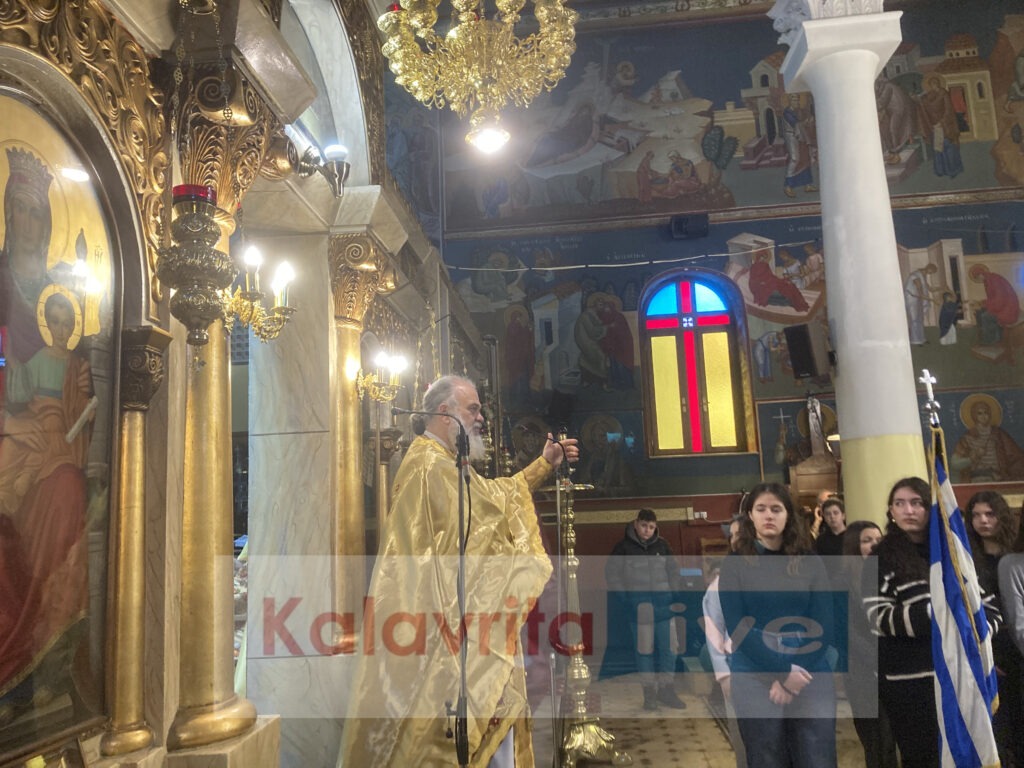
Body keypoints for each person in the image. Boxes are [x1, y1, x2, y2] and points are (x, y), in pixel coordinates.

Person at [337, 375, 579, 767]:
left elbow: (490, 499)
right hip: (444, 635)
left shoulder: (444, 463)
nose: (481, 418)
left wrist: (543, 464)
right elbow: (474, 531)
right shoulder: (429, 466)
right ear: (445, 412)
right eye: (474, 409)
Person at [0, 290, 95, 720]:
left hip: (64, 449)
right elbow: (18, 394)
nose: (59, 327)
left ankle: (49, 655)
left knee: (68, 492)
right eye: (53, 320)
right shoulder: (37, 360)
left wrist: (85, 400)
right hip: (34, 442)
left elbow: (83, 412)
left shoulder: (77, 367)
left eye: (66, 321)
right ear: (45, 323)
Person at [863, 477, 1001, 768]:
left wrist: (976, 633)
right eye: (899, 504)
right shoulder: (880, 557)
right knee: (921, 757)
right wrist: (940, 613)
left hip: (961, 678)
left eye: (917, 503)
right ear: (891, 511)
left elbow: (988, 607)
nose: (908, 510)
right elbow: (879, 617)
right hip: (910, 682)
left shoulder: (955, 554)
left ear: (930, 508)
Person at [720, 482, 837, 768]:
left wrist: (796, 673)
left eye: (776, 509)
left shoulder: (809, 560)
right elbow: (737, 627)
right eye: (761, 509)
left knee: (816, 754)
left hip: (809, 663)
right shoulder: (735, 563)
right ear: (750, 515)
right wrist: (783, 673)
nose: (769, 515)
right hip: (754, 665)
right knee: (766, 755)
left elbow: (825, 622)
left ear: (788, 515)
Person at [605, 508, 686, 710]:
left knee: (670, 649)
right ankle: (649, 694)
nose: (647, 530)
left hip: (664, 607)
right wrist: (626, 599)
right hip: (639, 610)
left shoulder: (663, 545)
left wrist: (673, 593)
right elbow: (612, 574)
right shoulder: (623, 548)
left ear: (655, 527)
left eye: (651, 527)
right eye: (643, 525)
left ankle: (666, 690)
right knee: (644, 652)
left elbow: (674, 570)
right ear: (636, 524)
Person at [965, 491, 1023, 768]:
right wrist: (987, 655)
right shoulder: (968, 559)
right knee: (1000, 725)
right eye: (976, 515)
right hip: (992, 646)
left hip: (1019, 643)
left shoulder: (1015, 554)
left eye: (990, 514)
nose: (983, 521)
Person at [839, 521, 898, 768]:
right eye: (866, 540)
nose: (874, 545)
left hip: (893, 666)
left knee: (896, 736)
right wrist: (875, 659)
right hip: (861, 670)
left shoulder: (890, 576)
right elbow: (846, 631)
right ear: (854, 546)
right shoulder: (840, 582)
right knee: (877, 739)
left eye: (878, 539)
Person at [702, 513, 746, 768]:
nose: (737, 539)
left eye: (743, 533)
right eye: (733, 535)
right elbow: (714, 631)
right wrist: (724, 675)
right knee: (745, 743)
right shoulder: (719, 585)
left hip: (780, 672)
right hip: (738, 670)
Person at [951, 394, 1024, 483]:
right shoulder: (967, 438)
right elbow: (954, 464)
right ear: (974, 415)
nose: (983, 416)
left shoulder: (999, 434)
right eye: (979, 413)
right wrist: (972, 458)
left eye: (986, 412)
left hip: (998, 478)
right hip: (976, 479)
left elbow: (1016, 456)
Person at [919, 75, 963, 178]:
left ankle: (953, 170)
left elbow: (948, 109)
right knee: (938, 149)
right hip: (935, 127)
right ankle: (940, 170)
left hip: (945, 126)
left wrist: (943, 121)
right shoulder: (929, 96)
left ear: (938, 83)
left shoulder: (943, 94)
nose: (934, 86)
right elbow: (925, 106)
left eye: (935, 83)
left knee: (949, 148)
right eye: (932, 84)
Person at [903, 263, 941, 345]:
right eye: (932, 272)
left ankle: (921, 339)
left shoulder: (923, 276)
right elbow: (920, 293)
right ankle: (915, 340)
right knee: (914, 319)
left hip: (918, 299)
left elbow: (930, 289)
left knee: (920, 319)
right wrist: (933, 300)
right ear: (929, 268)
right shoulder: (915, 276)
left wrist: (941, 288)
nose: (931, 274)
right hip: (912, 300)